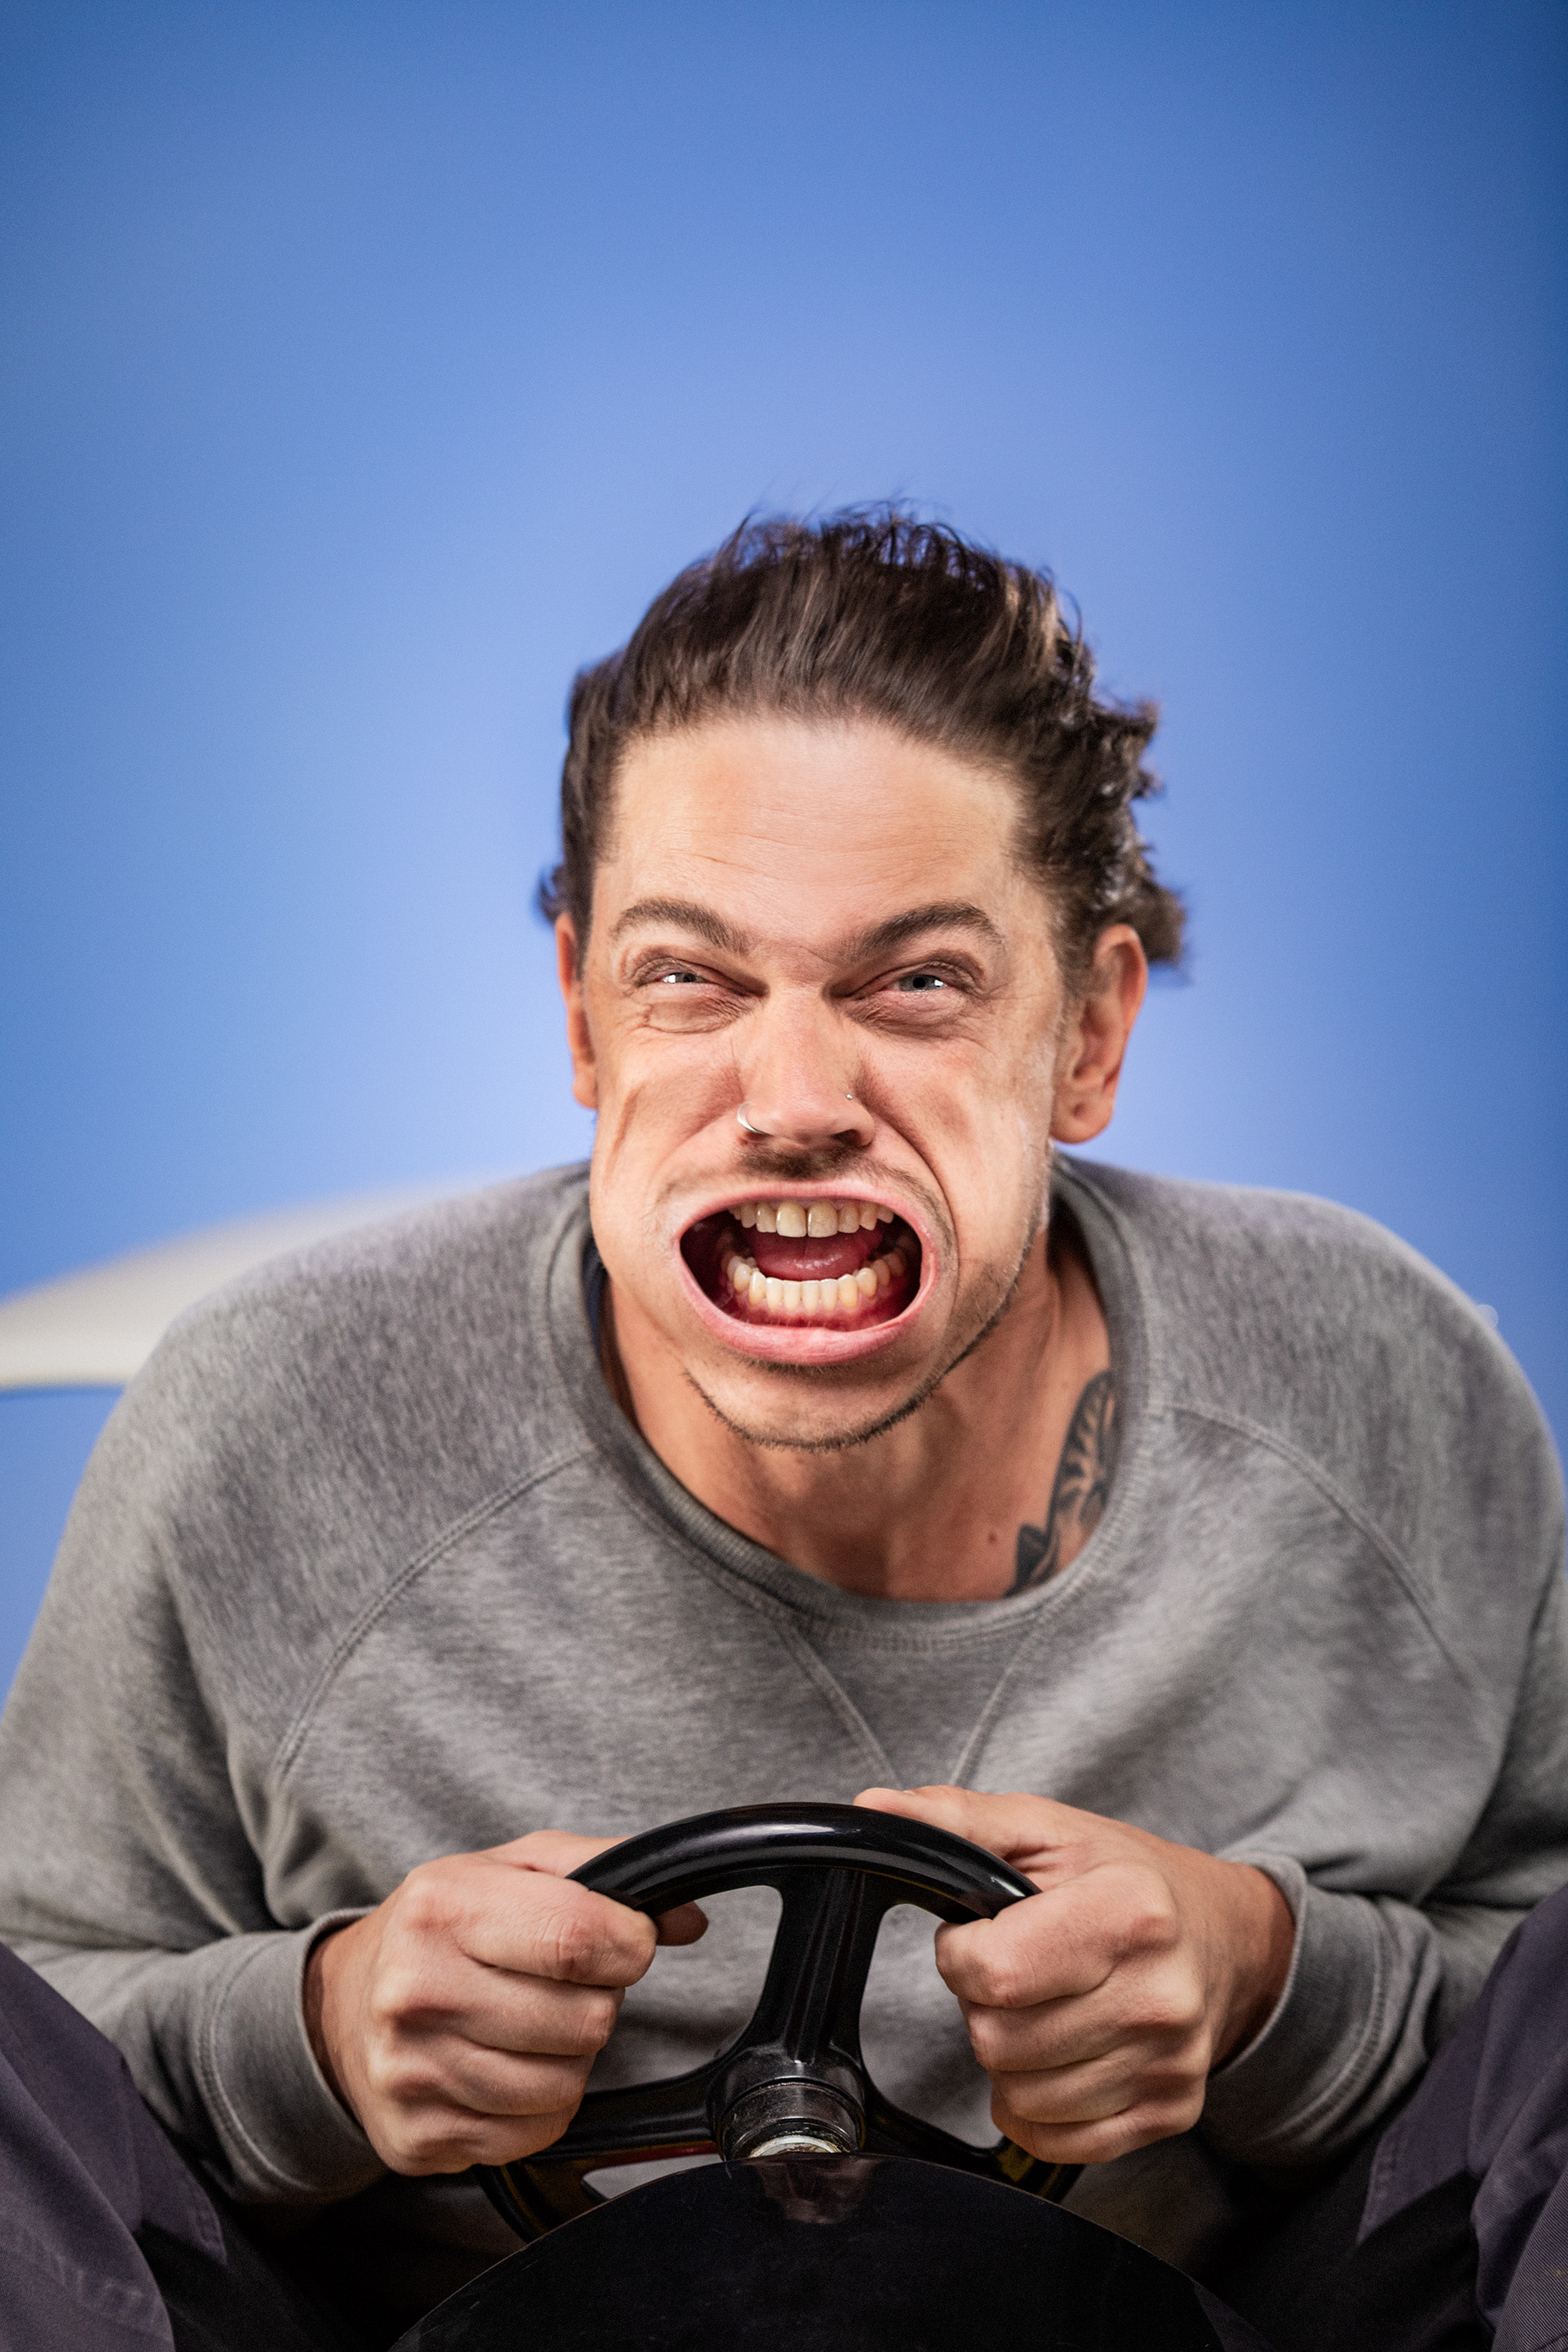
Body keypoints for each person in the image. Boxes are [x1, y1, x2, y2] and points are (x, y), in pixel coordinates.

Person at [1, 510, 1564, 2351]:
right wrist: (317, 2034)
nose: (796, 1099)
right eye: (692, 977)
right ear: (583, 1018)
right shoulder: (269, 1421)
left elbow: (1522, 2028)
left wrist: (1262, 1973)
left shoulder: (1377, 1381)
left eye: (916, 983)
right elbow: (49, 2047)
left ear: (1086, 1034)